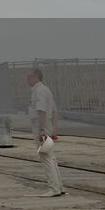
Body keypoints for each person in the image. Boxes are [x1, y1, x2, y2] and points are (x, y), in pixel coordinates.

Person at [28, 69, 64, 197]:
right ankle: (59, 187)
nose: (27, 79)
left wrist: (42, 131)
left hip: (40, 127)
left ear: (36, 77)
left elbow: (41, 111)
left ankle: (53, 188)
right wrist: (54, 130)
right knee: (51, 158)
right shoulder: (46, 90)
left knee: (46, 158)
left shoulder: (39, 91)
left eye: (29, 76)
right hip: (47, 127)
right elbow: (54, 112)